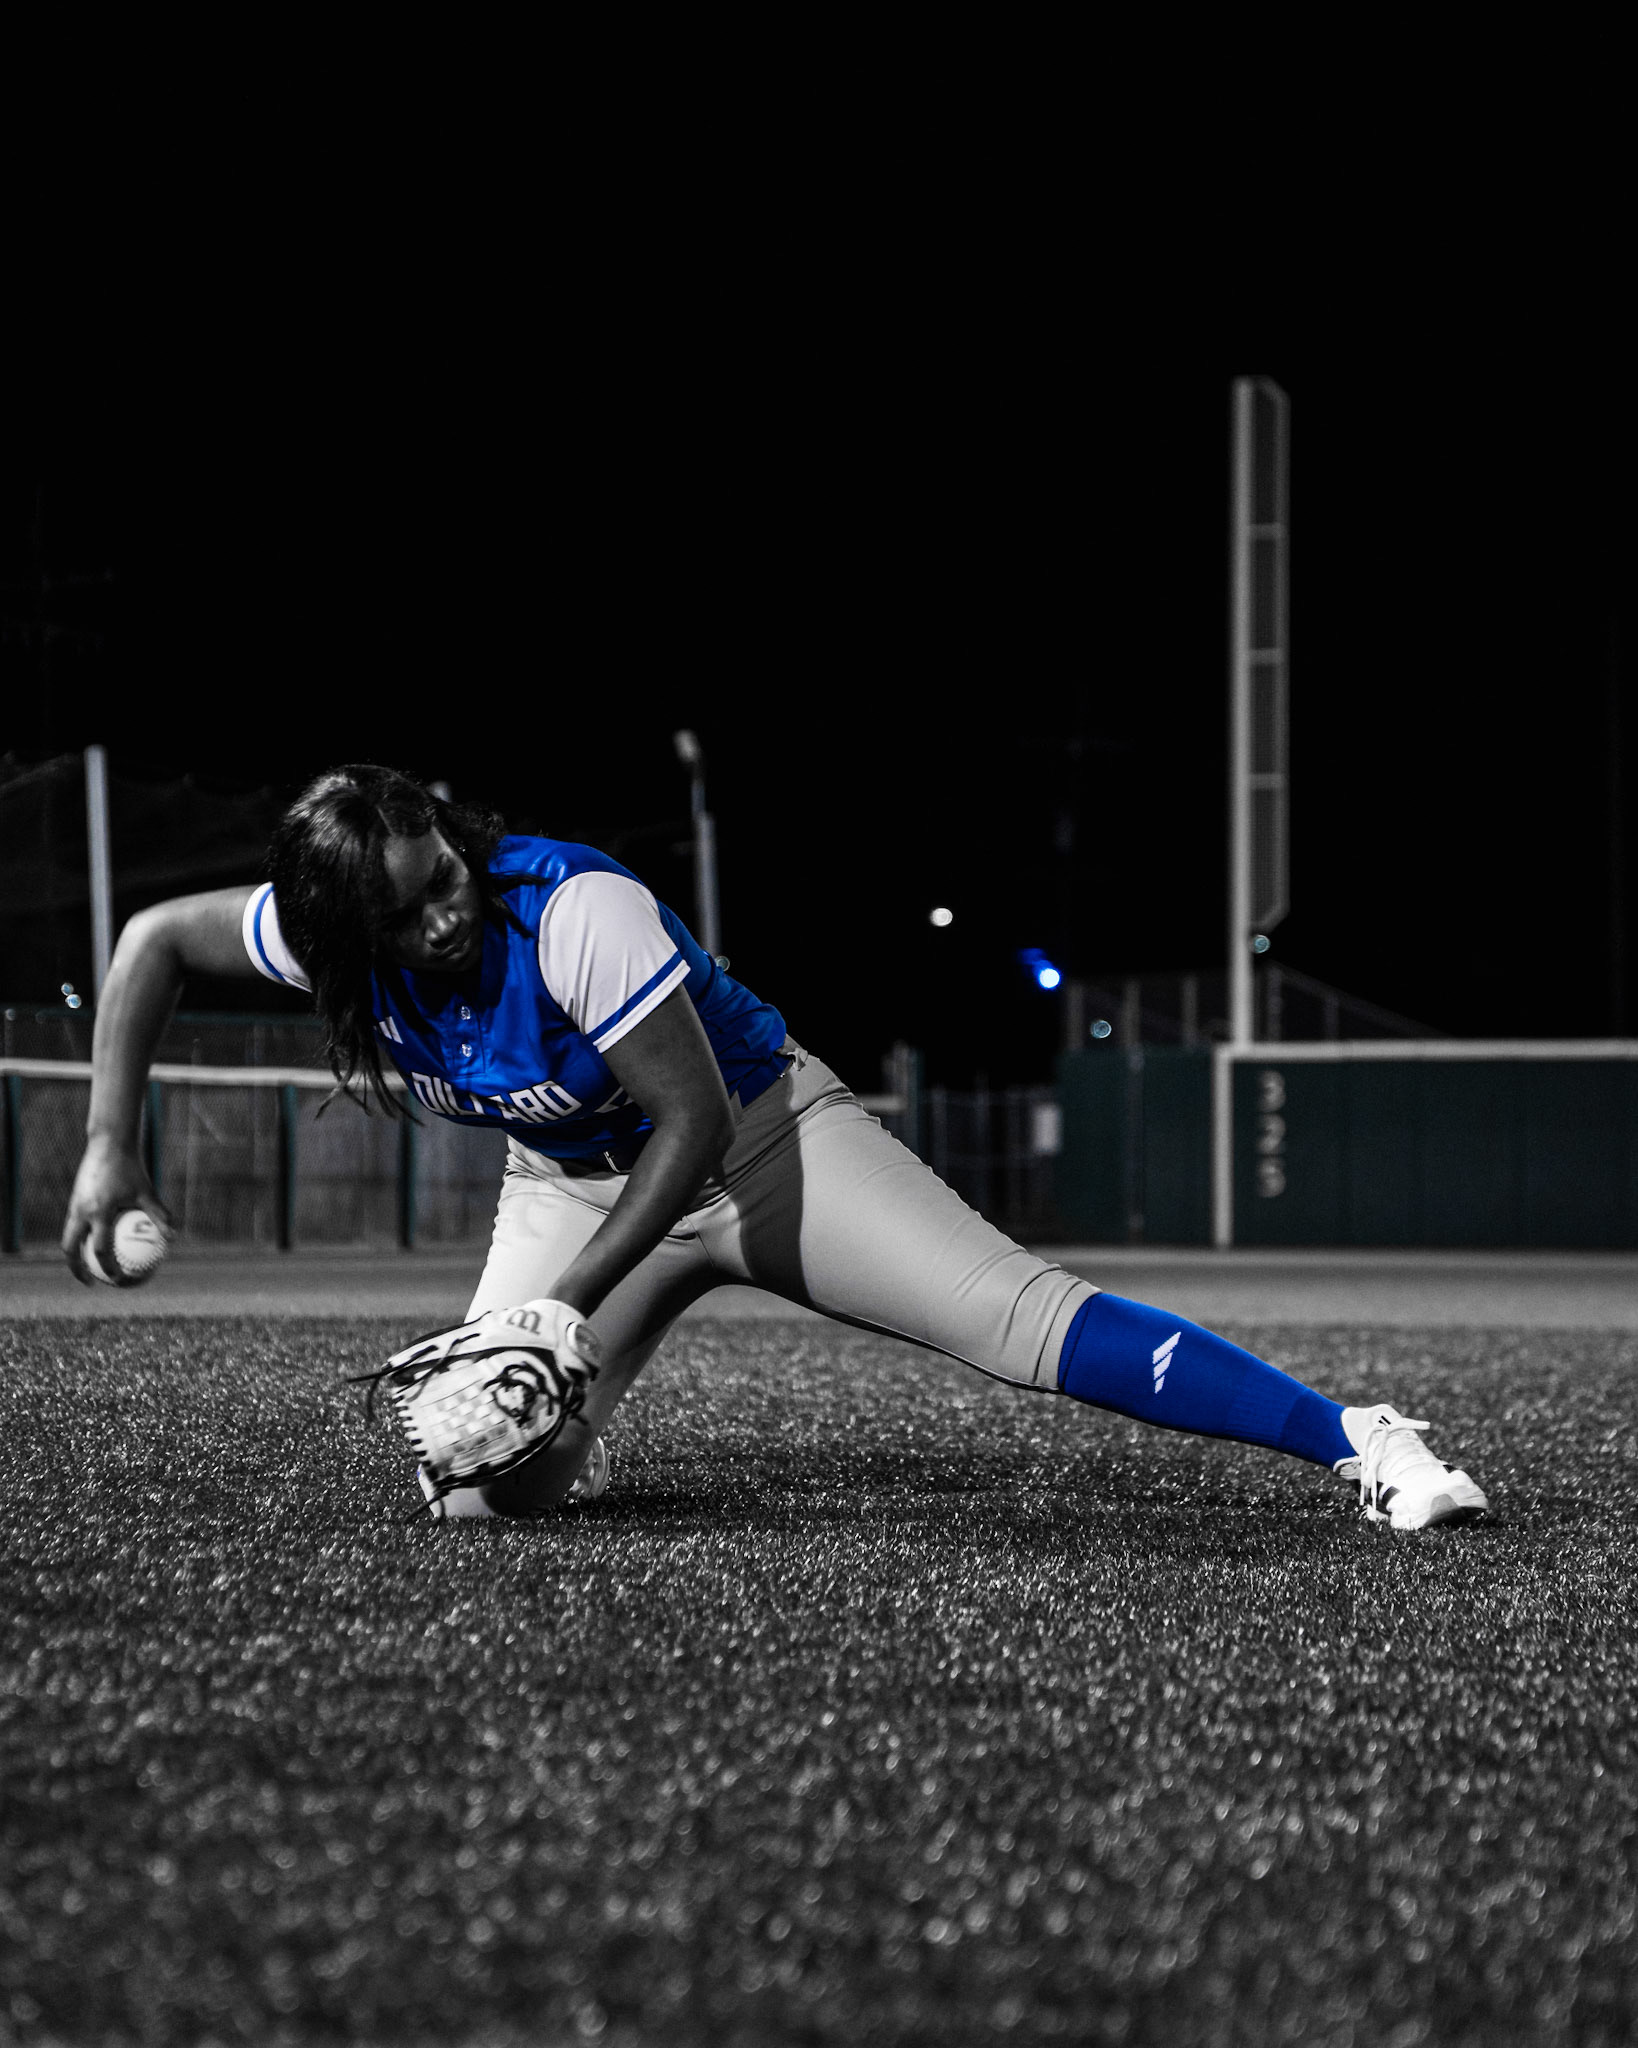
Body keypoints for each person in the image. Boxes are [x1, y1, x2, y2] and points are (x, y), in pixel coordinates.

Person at [62, 764, 1489, 1531]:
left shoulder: (567, 906)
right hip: (569, 1182)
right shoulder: (329, 949)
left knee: (1013, 1321)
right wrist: (108, 1152)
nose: (441, 914)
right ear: (335, 933)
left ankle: (1358, 1440)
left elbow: (684, 1122)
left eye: (442, 878)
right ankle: (583, 1436)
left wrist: (558, 1312)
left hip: (756, 1142)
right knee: (488, 1487)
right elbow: (145, 946)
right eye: (405, 909)